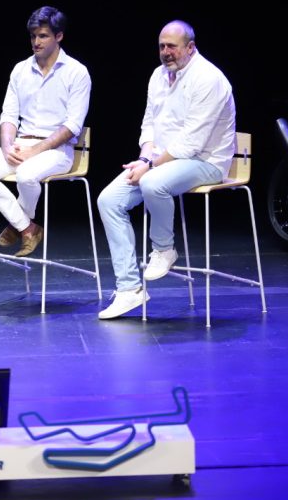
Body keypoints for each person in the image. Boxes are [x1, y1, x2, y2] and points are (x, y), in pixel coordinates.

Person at [96, 20, 236, 320]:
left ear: (190, 47)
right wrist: (145, 156)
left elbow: (192, 141)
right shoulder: (158, 76)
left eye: (172, 46)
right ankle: (130, 289)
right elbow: (149, 124)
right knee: (108, 200)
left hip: (207, 161)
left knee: (153, 184)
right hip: (162, 161)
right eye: (161, 46)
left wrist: (148, 166)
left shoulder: (209, 78)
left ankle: (164, 249)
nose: (165, 52)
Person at [0, 6, 91, 257]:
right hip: (22, 144)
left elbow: (72, 126)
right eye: (33, 36)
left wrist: (35, 150)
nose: (36, 42)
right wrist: (6, 146)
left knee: (26, 174)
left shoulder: (77, 72)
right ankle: (27, 227)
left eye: (43, 36)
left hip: (57, 151)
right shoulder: (20, 70)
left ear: (59, 36)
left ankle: (19, 222)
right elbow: (9, 115)